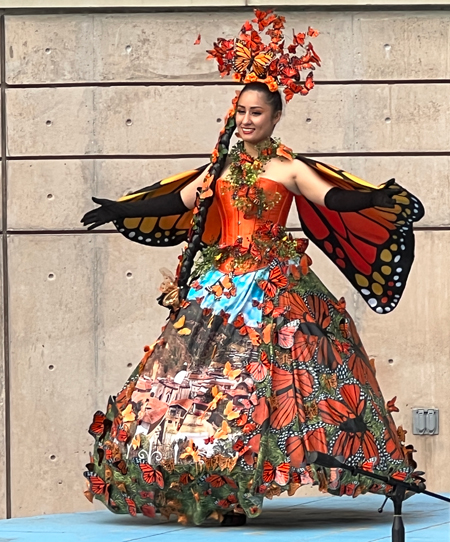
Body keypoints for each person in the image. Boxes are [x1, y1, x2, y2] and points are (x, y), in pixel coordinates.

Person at [81, 10, 425, 527]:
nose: (246, 120)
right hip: (217, 287)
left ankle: (260, 473)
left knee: (286, 381)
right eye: (241, 110)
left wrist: (373, 196)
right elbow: (180, 198)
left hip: (272, 284)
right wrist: (119, 210)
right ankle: (211, 484)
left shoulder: (287, 166)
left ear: (275, 117)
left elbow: (328, 197)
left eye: (256, 113)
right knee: (197, 383)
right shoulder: (217, 166)